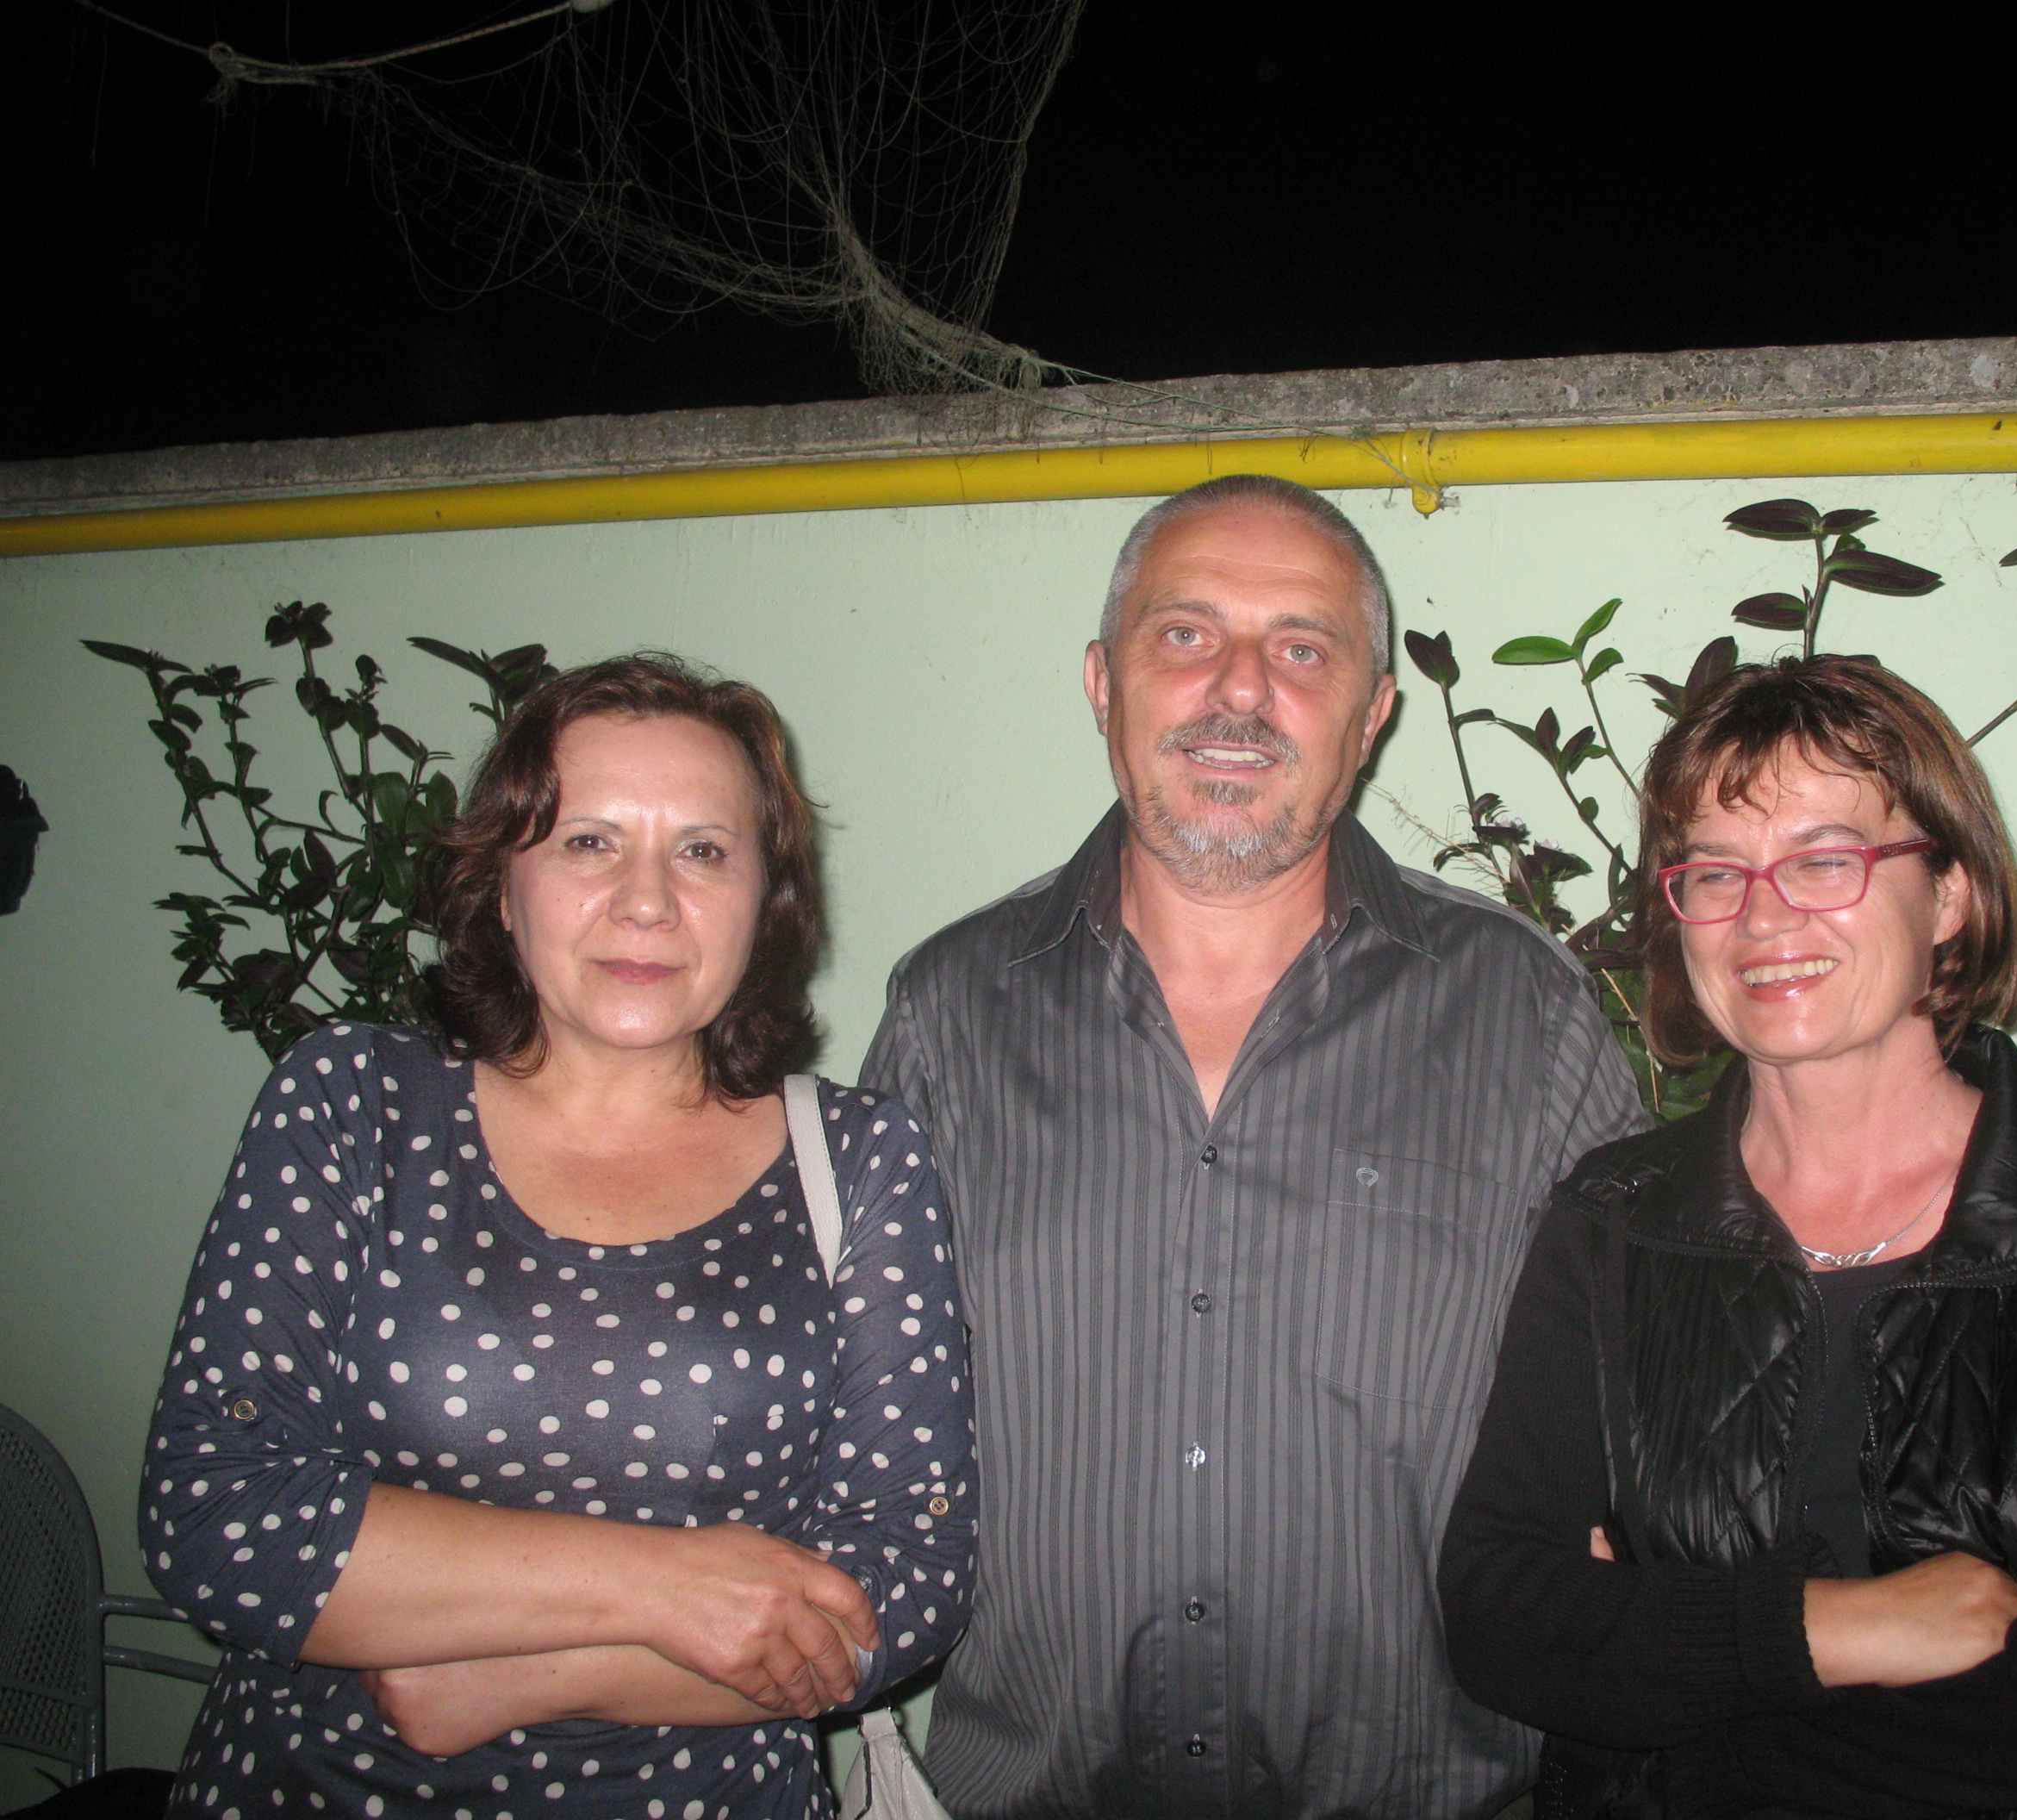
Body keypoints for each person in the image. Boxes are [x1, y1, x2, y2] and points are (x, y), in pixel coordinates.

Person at [860, 473, 1647, 1819]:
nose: (1238, 690)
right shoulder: (949, 1014)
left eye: (1301, 649)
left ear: (1373, 714)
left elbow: (1638, 1409)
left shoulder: (1524, 1014)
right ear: (1102, 683)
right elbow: (862, 1417)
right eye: (1186, 635)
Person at [142, 655, 976, 1820]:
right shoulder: (354, 1103)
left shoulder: (859, 1159)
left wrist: (528, 1676)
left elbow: (909, 1578)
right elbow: (219, 1515)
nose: (647, 902)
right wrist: (667, 1586)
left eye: (703, 851)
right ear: (501, 885)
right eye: (589, 842)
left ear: (766, 900)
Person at [1438, 655, 2017, 1818]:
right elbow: (1503, 1619)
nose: (1763, 919)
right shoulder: (1610, 1222)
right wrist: (1843, 1628)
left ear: (1951, 895)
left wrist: (1664, 1679)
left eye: (1824, 860)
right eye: (1717, 871)